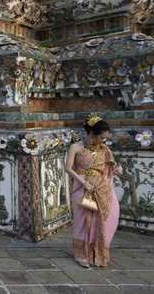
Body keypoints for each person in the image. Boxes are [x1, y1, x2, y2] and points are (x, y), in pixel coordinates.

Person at [65, 114, 123, 268]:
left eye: (105, 138)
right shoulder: (76, 147)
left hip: (102, 188)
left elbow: (109, 167)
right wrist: (84, 182)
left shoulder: (104, 149)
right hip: (81, 187)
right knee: (83, 222)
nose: (104, 141)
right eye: (102, 137)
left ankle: (97, 252)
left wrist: (117, 170)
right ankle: (81, 254)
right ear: (91, 134)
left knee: (111, 214)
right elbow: (68, 168)